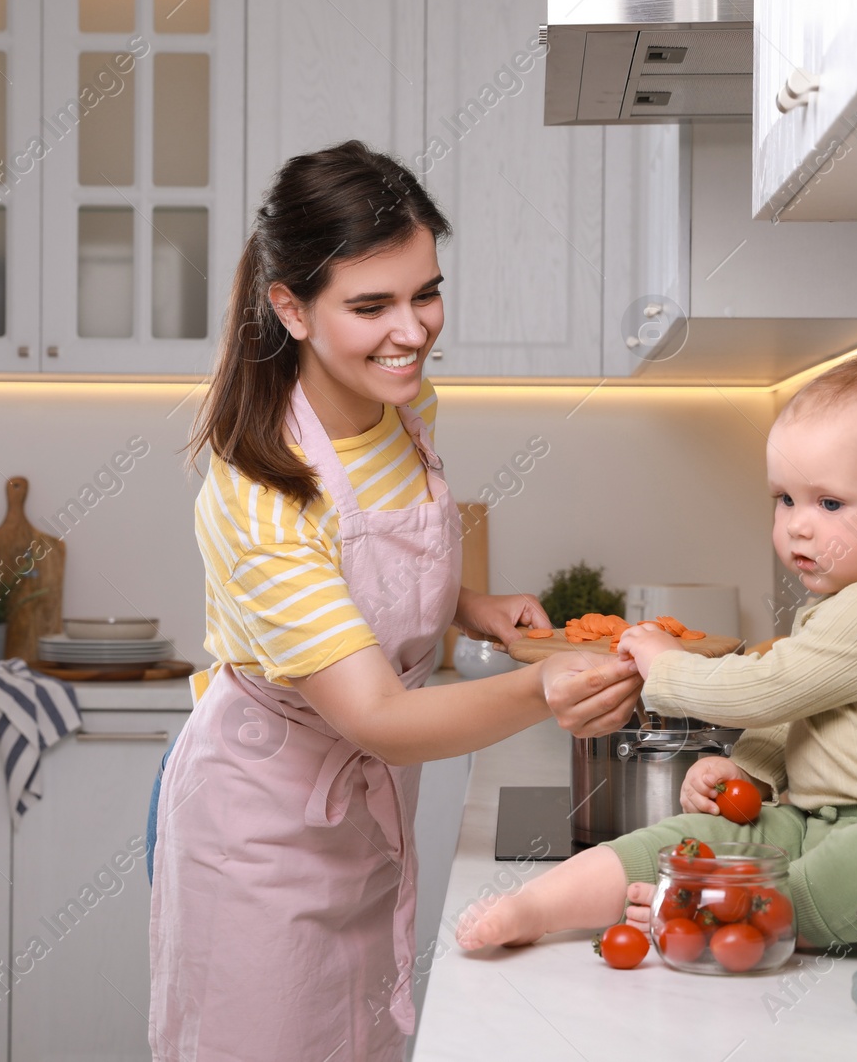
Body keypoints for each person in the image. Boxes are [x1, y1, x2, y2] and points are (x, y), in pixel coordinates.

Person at [146, 140, 642, 1062]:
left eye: (426, 292)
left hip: (367, 822)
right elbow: (375, 715)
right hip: (262, 830)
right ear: (290, 308)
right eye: (370, 306)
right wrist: (544, 688)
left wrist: (473, 605)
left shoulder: (402, 408)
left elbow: (374, 562)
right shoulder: (261, 494)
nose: (411, 330)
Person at [456, 353, 857, 953]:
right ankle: (537, 906)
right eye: (784, 499)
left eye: (830, 504)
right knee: (689, 835)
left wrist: (666, 667)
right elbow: (804, 710)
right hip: (822, 822)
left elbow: (774, 687)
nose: (796, 525)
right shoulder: (846, 601)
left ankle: (706, 909)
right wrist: (751, 770)